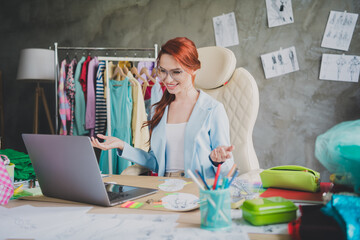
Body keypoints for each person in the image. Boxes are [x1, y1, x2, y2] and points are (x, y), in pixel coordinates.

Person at [91, 37, 234, 178]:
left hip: (198, 188)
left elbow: (227, 169)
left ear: (194, 69)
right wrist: (122, 146)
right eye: (163, 71)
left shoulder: (213, 109)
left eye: (176, 72)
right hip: (165, 187)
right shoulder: (160, 108)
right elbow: (155, 162)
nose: (167, 79)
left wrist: (218, 161)